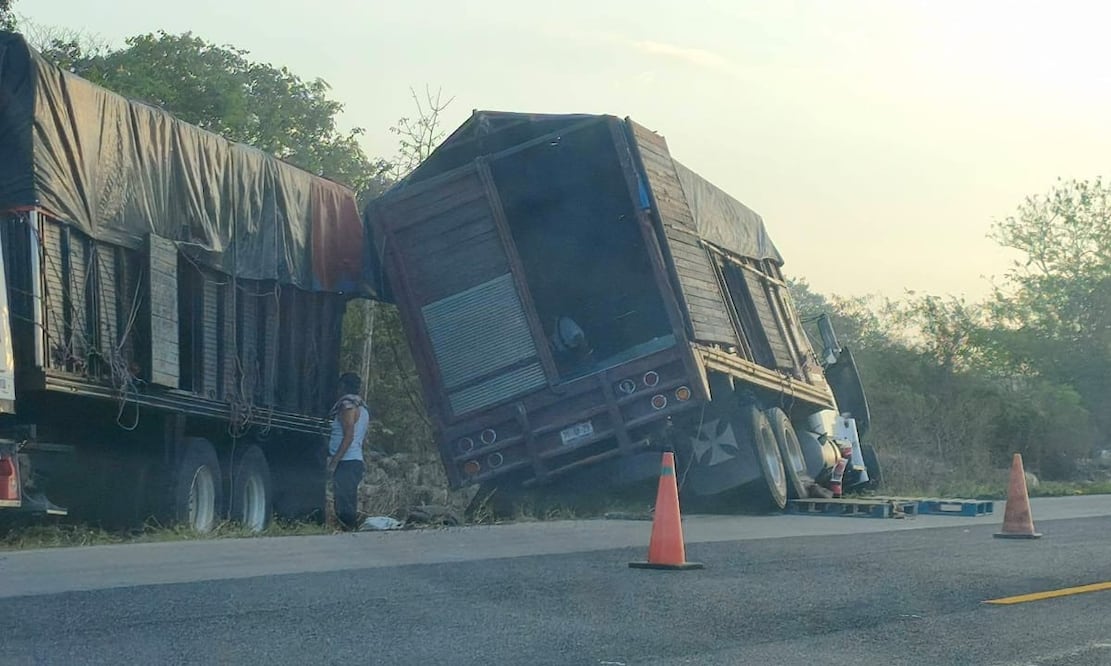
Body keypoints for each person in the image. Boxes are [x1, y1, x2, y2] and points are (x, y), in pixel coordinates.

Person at [327, 372, 370, 531]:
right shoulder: (362, 407)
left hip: (347, 461)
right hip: (355, 460)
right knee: (348, 498)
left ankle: (348, 531)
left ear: (343, 386)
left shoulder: (347, 406)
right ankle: (350, 531)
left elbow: (349, 435)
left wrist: (334, 461)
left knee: (344, 502)